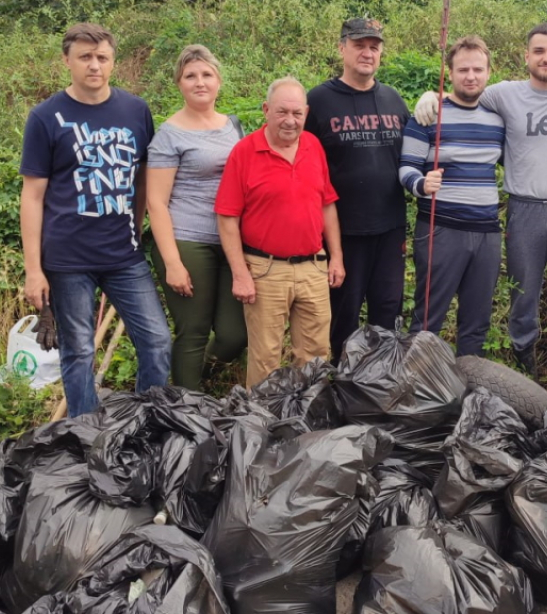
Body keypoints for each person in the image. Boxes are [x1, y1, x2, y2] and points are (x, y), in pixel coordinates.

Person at [417, 23, 547, 375]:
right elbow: (466, 88)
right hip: (523, 210)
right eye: (539, 51)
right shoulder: (503, 94)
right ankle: (524, 368)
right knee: (522, 297)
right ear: (526, 55)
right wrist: (430, 96)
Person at [20, 23, 171, 417]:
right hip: (68, 259)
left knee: (156, 341)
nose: (94, 65)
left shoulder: (135, 110)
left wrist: (135, 228)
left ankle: (143, 424)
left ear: (113, 62)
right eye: (85, 57)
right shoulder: (46, 117)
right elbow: (32, 196)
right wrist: (33, 270)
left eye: (102, 57)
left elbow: (141, 180)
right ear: (67, 60)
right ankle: (84, 435)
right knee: (79, 351)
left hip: (124, 255)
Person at [215, 77, 345, 388]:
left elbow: (327, 205)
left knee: (315, 354)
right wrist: (239, 273)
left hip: (314, 266)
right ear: (266, 110)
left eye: (297, 114)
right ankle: (261, 426)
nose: (290, 121)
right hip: (265, 269)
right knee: (265, 357)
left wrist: (336, 257)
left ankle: (305, 422)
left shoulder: (313, 146)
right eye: (282, 112)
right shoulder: (245, 152)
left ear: (306, 112)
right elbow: (227, 218)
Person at [305, 18, 411, 361]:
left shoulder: (394, 99)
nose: (367, 53)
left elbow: (414, 157)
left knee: (388, 308)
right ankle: (341, 381)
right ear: (342, 48)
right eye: (359, 45)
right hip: (343, 232)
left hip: (391, 228)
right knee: (343, 314)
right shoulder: (318, 101)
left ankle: (382, 382)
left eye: (374, 47)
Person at [146, 45, 246, 391]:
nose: (199, 82)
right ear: (179, 84)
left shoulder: (233, 126)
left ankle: (194, 382)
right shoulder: (168, 136)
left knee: (235, 335)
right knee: (194, 330)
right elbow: (155, 203)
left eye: (206, 75)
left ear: (219, 81)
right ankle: (186, 409)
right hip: (188, 240)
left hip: (231, 241)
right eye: (191, 76)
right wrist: (172, 262)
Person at [398, 35, 505, 356]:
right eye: (462, 70)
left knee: (477, 321)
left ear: (488, 72)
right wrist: (421, 183)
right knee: (428, 318)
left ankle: (470, 394)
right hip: (440, 229)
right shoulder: (429, 115)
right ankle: (416, 390)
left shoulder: (498, 117)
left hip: (487, 233)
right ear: (450, 71)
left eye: (477, 70)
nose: (470, 76)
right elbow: (406, 168)